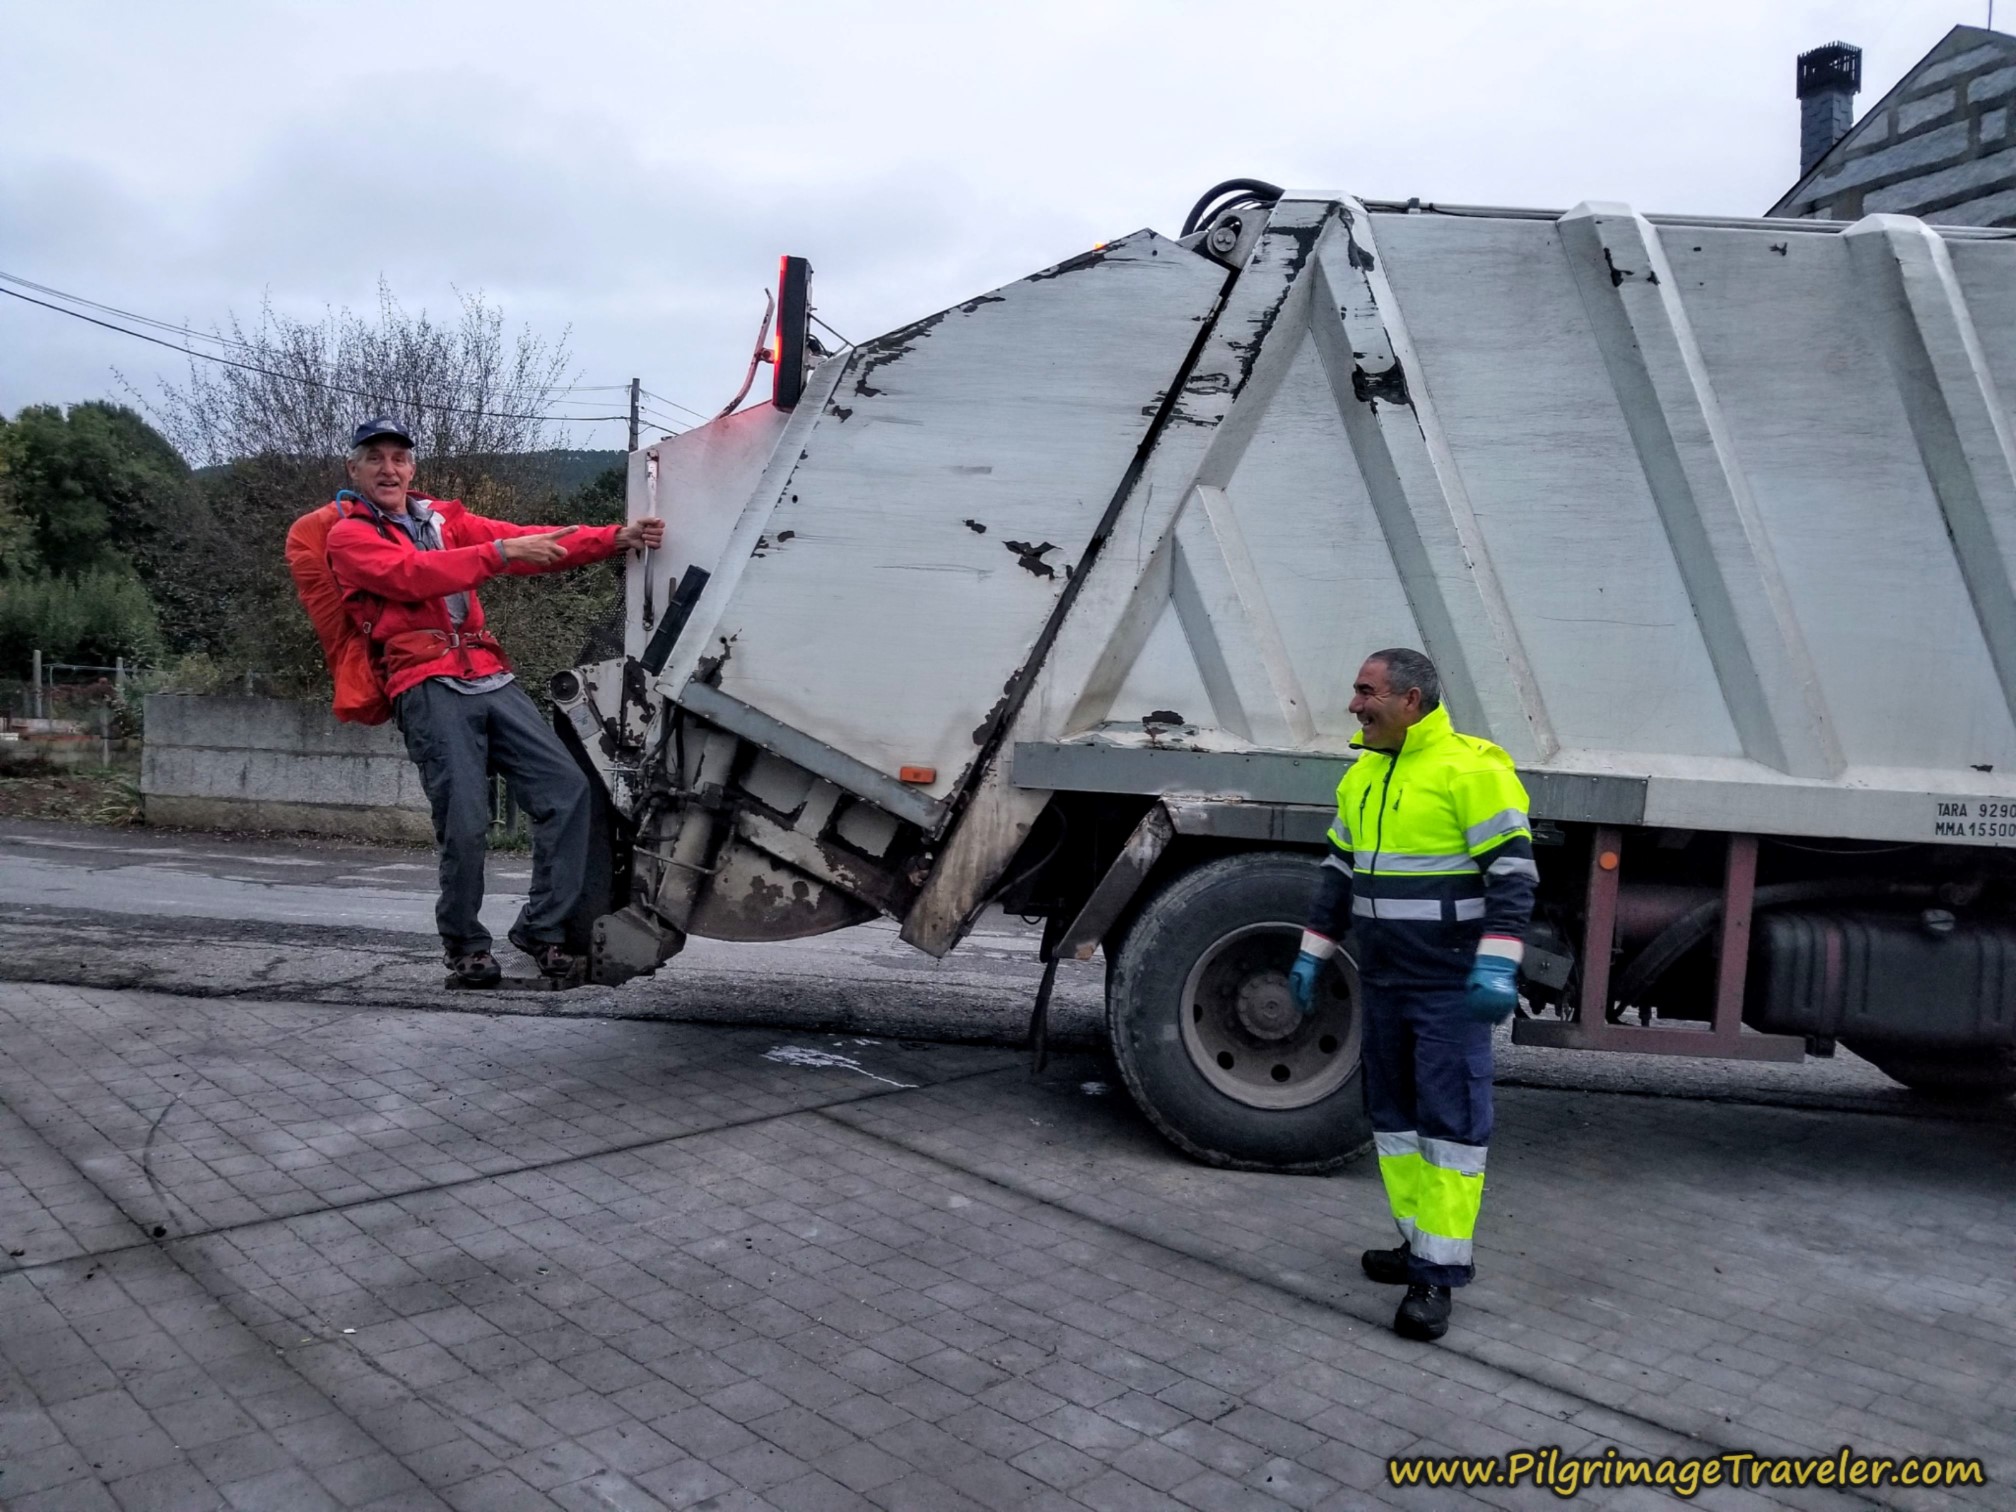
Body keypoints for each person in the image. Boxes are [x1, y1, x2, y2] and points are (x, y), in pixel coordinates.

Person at [325, 417, 664, 986]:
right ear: (353, 469)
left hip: (487, 672)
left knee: (568, 790)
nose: (390, 469)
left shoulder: (442, 520)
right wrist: (501, 552)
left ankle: (542, 929)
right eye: (376, 458)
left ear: (412, 469)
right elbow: (411, 576)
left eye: (399, 459)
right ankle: (465, 943)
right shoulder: (348, 536)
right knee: (465, 822)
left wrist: (615, 537)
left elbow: (535, 541)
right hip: (425, 680)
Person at [1287, 648, 1537, 1342]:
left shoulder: (1472, 770)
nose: (1354, 705)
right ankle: (1415, 1243)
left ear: (1411, 701)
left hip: (1450, 986)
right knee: (1393, 1122)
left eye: (1366, 692)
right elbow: (1338, 870)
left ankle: (1438, 1277)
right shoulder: (1364, 774)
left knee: (1451, 1129)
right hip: (1388, 980)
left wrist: (1495, 967)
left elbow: (1513, 876)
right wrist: (1313, 952)